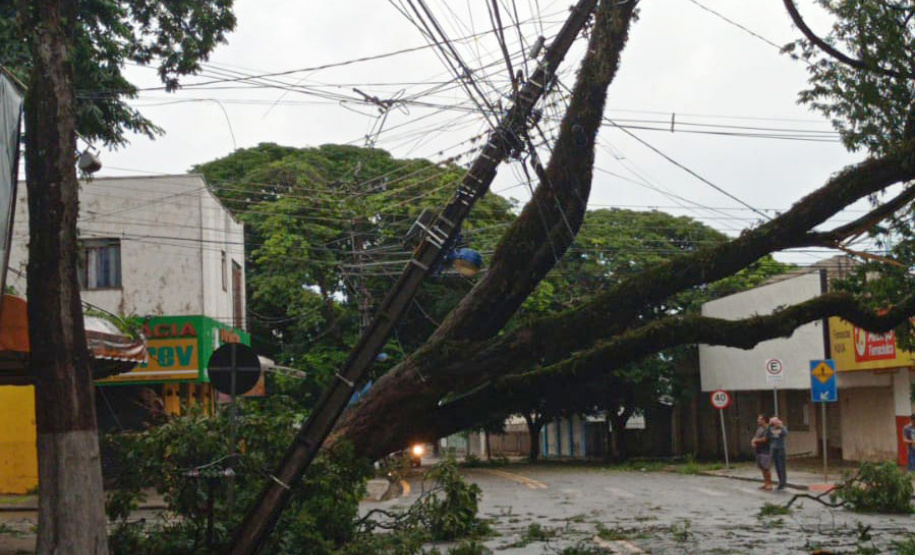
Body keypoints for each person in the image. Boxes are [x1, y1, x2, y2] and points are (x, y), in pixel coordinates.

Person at [750, 414, 772, 490]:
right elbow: (755, 437)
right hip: (758, 450)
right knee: (762, 468)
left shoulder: (768, 429)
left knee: (766, 468)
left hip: (765, 450)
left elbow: (764, 439)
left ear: (764, 420)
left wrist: (755, 440)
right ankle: (765, 483)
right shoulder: (759, 429)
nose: (758, 420)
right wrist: (753, 441)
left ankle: (769, 484)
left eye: (759, 419)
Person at [767, 416, 789, 490]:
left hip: (781, 448)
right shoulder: (771, 428)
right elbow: (768, 435)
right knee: (777, 466)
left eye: (776, 422)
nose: (775, 424)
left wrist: (781, 426)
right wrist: (769, 425)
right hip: (774, 449)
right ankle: (780, 481)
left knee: (781, 466)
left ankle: (783, 482)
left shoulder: (782, 428)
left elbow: (785, 433)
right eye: (774, 422)